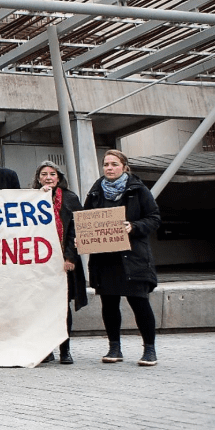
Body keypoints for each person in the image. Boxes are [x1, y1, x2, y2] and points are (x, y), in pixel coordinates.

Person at [84, 150, 162, 367]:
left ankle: (149, 349)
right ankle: (114, 347)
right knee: (109, 303)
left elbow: (154, 218)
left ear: (124, 166)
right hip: (105, 258)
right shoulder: (95, 191)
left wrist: (134, 226)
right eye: (106, 164)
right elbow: (86, 219)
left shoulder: (138, 190)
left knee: (139, 302)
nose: (109, 168)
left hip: (132, 257)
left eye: (114, 164)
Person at [32, 161, 87, 364]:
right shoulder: (32, 198)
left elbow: (77, 228)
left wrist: (70, 257)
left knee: (63, 307)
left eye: (52, 174)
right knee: (43, 307)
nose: (48, 178)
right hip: (40, 263)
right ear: (38, 179)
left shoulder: (70, 198)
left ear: (59, 177)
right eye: (44, 174)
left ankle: (65, 349)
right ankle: (47, 350)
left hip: (64, 262)